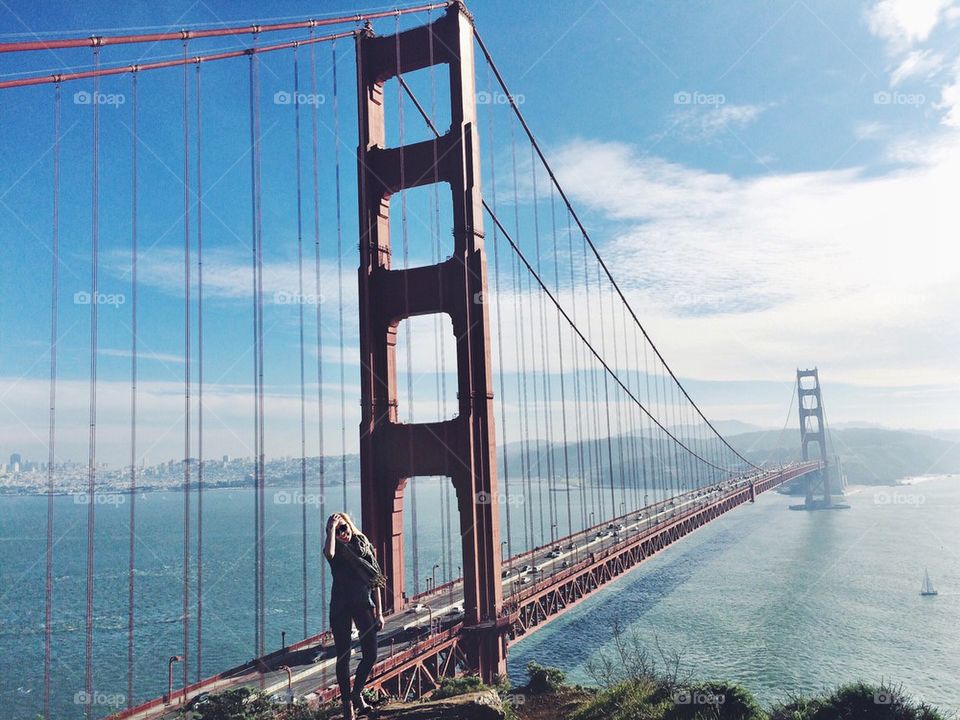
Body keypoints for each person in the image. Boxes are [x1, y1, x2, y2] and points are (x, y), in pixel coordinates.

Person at [324, 512, 385, 719]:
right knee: (344, 655)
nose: (343, 533)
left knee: (371, 654)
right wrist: (331, 528)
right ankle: (347, 703)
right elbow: (329, 553)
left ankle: (357, 692)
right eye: (338, 530)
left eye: (344, 527)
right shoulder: (336, 552)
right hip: (341, 607)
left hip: (363, 604)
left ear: (350, 526)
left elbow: (375, 579)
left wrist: (380, 611)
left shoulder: (364, 546)